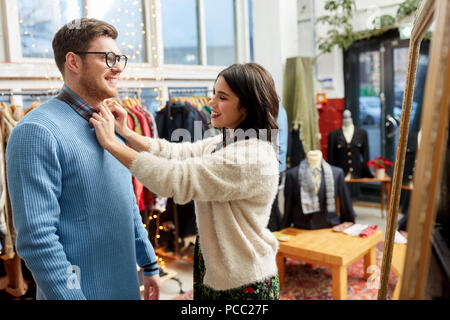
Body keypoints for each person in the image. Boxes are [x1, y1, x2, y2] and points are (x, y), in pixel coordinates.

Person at [90, 63, 281, 300]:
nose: (211, 103)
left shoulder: (252, 157)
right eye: (214, 94)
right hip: (216, 268)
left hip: (243, 280)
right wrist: (126, 133)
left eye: (222, 97)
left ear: (248, 106)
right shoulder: (225, 142)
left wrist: (112, 143)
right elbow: (175, 153)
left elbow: (174, 179)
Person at [6, 18, 160, 300]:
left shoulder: (111, 125)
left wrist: (148, 262)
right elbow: (37, 239)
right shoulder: (35, 131)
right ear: (73, 62)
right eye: (108, 58)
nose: (118, 67)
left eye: (119, 58)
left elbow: (126, 204)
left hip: (126, 288)